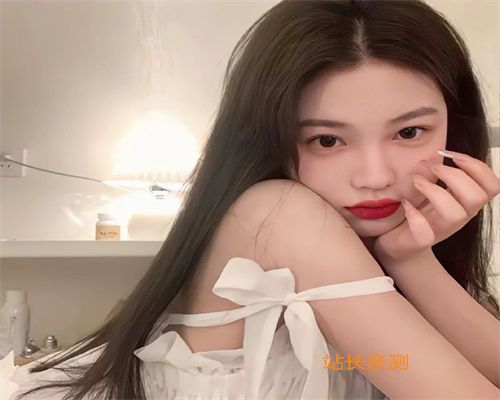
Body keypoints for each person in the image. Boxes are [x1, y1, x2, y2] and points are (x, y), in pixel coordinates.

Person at [9, 0, 500, 399]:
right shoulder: (277, 211)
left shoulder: (368, 248)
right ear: (269, 138)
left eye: (409, 132)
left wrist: (410, 259)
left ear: (455, 126)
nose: (375, 177)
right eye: (327, 140)